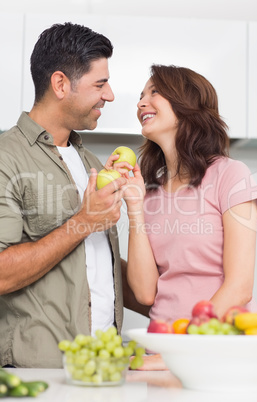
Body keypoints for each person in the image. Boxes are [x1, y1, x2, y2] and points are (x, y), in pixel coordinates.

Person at [0, 22, 145, 369]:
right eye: (100, 84)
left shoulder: (91, 162)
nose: (109, 95)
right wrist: (83, 223)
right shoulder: (7, 158)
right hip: (40, 372)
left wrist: (176, 309)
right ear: (61, 84)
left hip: (104, 367)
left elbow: (97, 265)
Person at [106, 64, 257, 370]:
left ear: (186, 105)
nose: (140, 103)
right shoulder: (150, 192)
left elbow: (240, 285)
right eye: (140, 96)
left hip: (217, 349)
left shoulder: (231, 175)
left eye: (155, 92)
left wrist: (183, 348)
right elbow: (144, 291)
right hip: (162, 347)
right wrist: (135, 207)